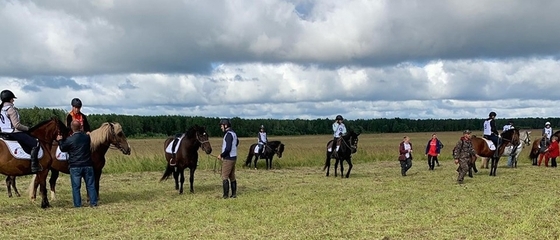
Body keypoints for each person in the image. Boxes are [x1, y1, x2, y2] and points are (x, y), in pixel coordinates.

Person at [56, 120, 97, 207]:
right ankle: (93, 203)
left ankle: (78, 205)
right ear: (81, 127)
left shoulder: (69, 139)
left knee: (76, 187)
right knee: (91, 185)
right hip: (88, 165)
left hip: (75, 166)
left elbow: (63, 148)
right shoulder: (87, 138)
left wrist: (60, 140)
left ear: (71, 128)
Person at [0, 90, 42, 173]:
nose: (13, 100)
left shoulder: (1, 109)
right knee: (35, 143)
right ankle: (34, 165)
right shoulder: (11, 109)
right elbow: (16, 125)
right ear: (9, 99)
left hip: (2, 133)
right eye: (12, 99)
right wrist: (28, 128)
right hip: (13, 133)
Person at [217, 118, 239, 199]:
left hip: (228, 158)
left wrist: (221, 155)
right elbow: (237, 142)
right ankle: (233, 194)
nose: (221, 127)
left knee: (224, 176)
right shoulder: (233, 133)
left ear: (225, 125)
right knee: (232, 176)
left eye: (221, 126)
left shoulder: (228, 134)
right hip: (234, 157)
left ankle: (225, 195)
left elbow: (228, 148)